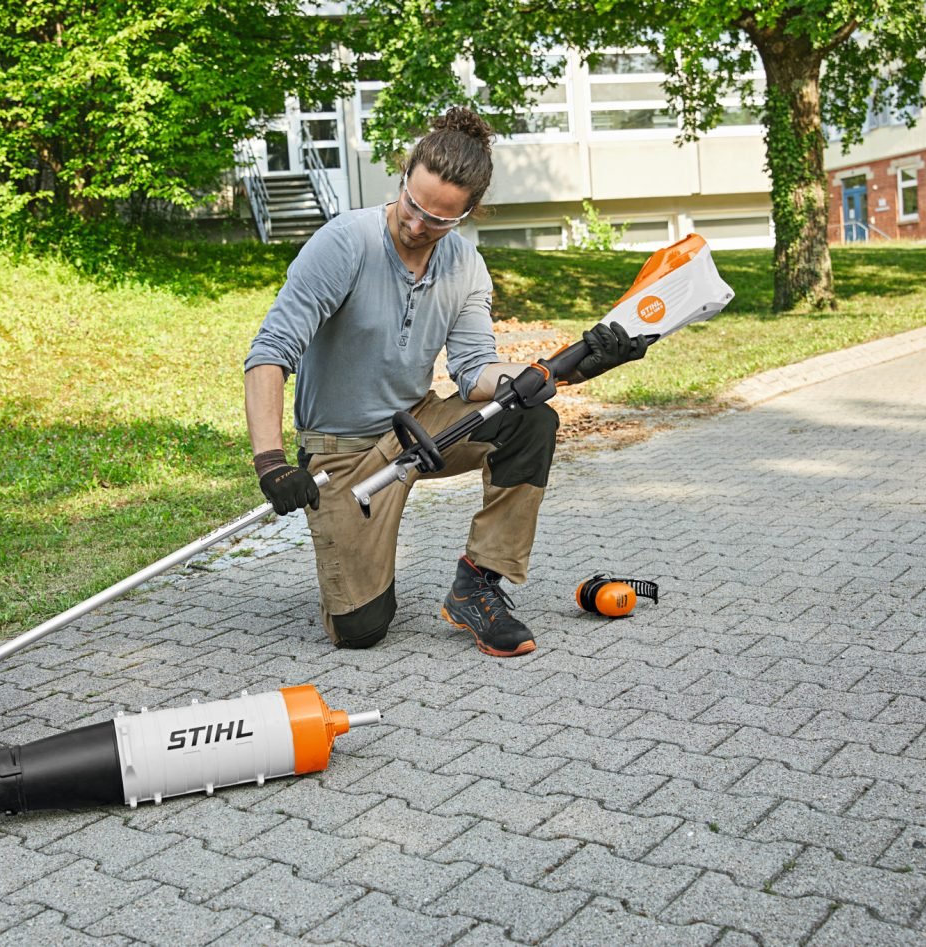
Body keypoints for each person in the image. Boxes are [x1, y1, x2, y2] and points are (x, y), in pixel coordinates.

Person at [243, 107, 648, 657]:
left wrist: (576, 366)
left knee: (529, 420)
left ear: (467, 213)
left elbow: (477, 372)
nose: (417, 226)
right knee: (361, 630)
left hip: (416, 428)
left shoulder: (463, 263)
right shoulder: (345, 244)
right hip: (342, 453)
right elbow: (270, 352)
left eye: (439, 220)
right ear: (404, 176)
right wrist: (271, 462)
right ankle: (359, 585)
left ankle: (477, 585)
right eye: (413, 205)